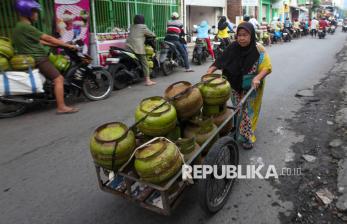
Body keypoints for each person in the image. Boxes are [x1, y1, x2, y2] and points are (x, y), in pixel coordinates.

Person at [206, 22, 272, 149]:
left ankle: (248, 137)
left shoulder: (259, 49)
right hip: (234, 84)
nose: (241, 38)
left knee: (248, 112)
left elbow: (267, 68)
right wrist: (211, 70)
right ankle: (238, 129)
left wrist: (258, 78)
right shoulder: (233, 47)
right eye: (239, 35)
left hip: (252, 86)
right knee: (238, 108)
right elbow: (221, 60)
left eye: (245, 35)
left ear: (251, 35)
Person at [12, 0, 78, 114]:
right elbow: (48, 38)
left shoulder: (19, 26)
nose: (37, 14)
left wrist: (57, 44)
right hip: (39, 59)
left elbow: (40, 41)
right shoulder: (27, 27)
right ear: (29, 12)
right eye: (35, 12)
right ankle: (61, 107)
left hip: (32, 57)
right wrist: (67, 45)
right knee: (59, 79)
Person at [126, 15, 156, 86]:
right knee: (144, 63)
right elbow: (152, 34)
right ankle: (148, 81)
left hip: (128, 47)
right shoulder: (143, 27)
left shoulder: (132, 26)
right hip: (137, 48)